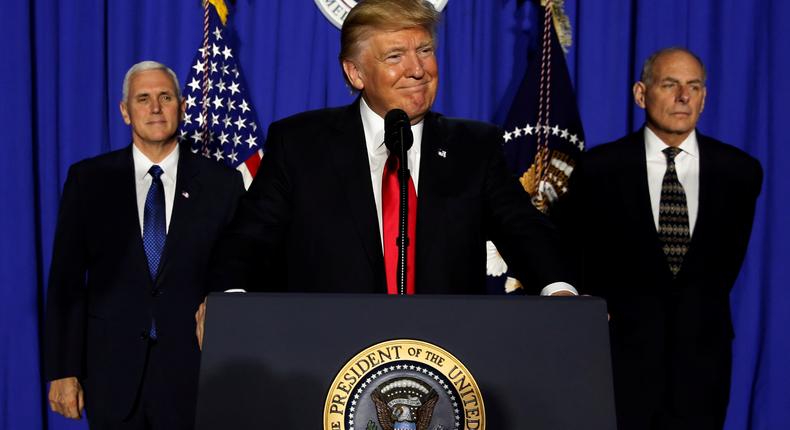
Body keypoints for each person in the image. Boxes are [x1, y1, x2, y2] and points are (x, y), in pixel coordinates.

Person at [201, 0, 575, 305]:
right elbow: (248, 239)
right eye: (395, 56)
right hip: (327, 359)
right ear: (355, 73)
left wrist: (559, 289)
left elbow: (524, 229)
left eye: (425, 50)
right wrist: (229, 304)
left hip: (446, 358)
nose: (418, 69)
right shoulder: (299, 145)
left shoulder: (474, 147)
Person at [562, 48, 762, 429]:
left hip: (702, 365)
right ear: (641, 94)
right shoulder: (600, 170)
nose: (683, 97)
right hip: (620, 362)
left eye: (694, 86)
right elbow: (575, 255)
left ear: (704, 97)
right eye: (670, 84)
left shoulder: (740, 173)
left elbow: (720, 270)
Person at [45, 61, 244, 429]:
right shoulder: (89, 180)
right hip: (111, 374)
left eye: (165, 97)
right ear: (125, 111)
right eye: (143, 98)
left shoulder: (222, 185)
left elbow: (233, 271)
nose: (155, 108)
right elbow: (66, 282)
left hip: (193, 373)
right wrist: (63, 370)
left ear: (182, 107)